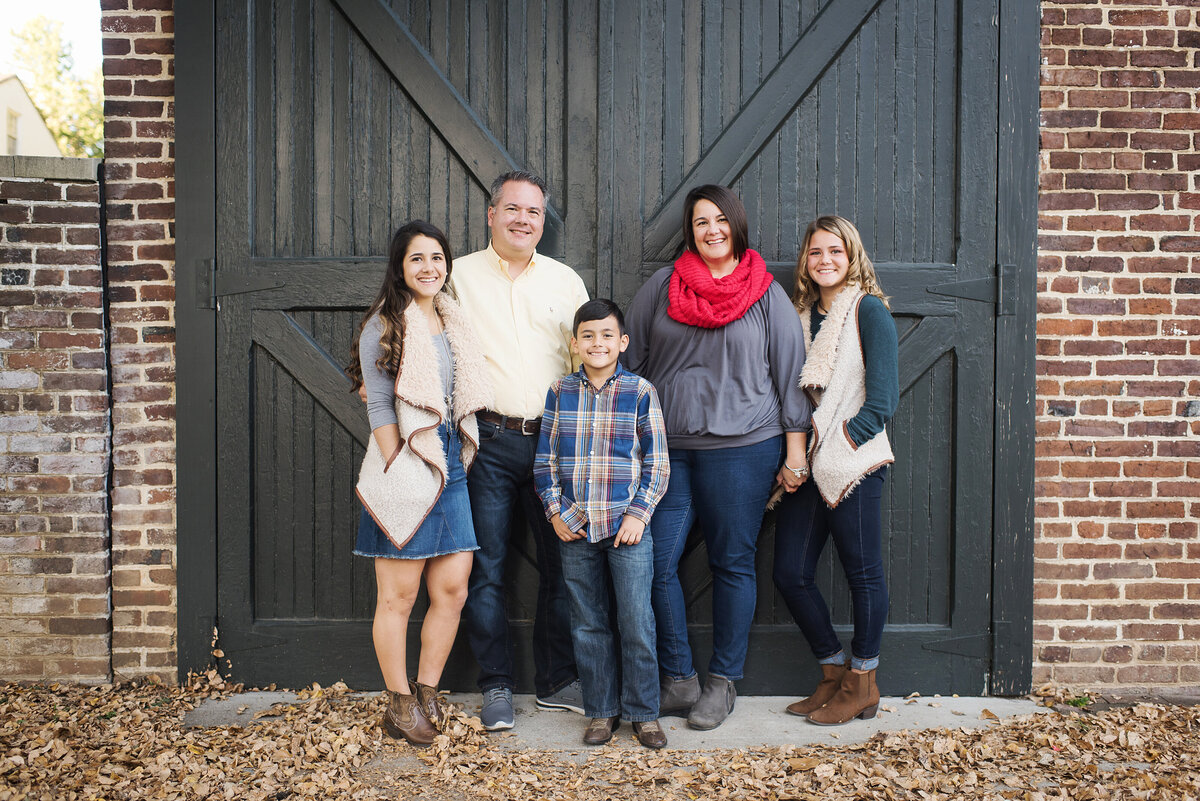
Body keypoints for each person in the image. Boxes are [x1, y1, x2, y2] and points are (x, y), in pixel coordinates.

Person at [624, 184, 812, 731]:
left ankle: (723, 681)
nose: (711, 230)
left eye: (720, 220)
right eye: (701, 221)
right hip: (669, 452)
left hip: (745, 449)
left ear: (736, 225)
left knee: (733, 561)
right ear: (691, 229)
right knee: (655, 563)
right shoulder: (662, 287)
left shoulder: (765, 292)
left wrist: (795, 453)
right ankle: (679, 677)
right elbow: (628, 359)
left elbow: (789, 375)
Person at [449, 171, 590, 730]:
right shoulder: (456, 276)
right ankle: (497, 685)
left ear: (542, 221)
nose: (523, 220)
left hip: (554, 443)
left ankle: (557, 681)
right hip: (487, 439)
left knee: (563, 564)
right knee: (486, 568)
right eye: (512, 209)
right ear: (492, 214)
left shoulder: (564, 281)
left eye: (533, 212)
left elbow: (585, 360)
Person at [349, 220, 493, 747]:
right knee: (399, 596)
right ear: (400, 267)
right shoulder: (384, 325)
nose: (429, 267)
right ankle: (399, 702)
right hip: (407, 462)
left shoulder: (453, 320)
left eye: (437, 257)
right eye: (417, 259)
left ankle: (428, 688)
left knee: (452, 589)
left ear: (447, 264)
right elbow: (381, 406)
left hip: (451, 463)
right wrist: (398, 463)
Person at [772, 214, 899, 726]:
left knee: (863, 575)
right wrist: (797, 454)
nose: (825, 261)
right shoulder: (798, 317)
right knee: (790, 573)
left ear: (852, 258)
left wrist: (841, 442)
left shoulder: (869, 312)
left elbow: (883, 401)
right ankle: (832, 671)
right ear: (806, 260)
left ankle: (863, 681)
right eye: (816, 252)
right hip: (804, 464)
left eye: (835, 252)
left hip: (853, 463)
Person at [533, 299, 672, 749]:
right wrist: (555, 511)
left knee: (636, 621)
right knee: (587, 623)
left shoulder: (640, 391)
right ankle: (601, 711)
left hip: (627, 527)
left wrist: (638, 514)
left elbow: (658, 464)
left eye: (607, 335)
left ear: (622, 342)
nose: (597, 343)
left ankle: (643, 713)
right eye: (588, 336)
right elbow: (545, 461)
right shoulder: (560, 392)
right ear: (575, 344)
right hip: (575, 527)